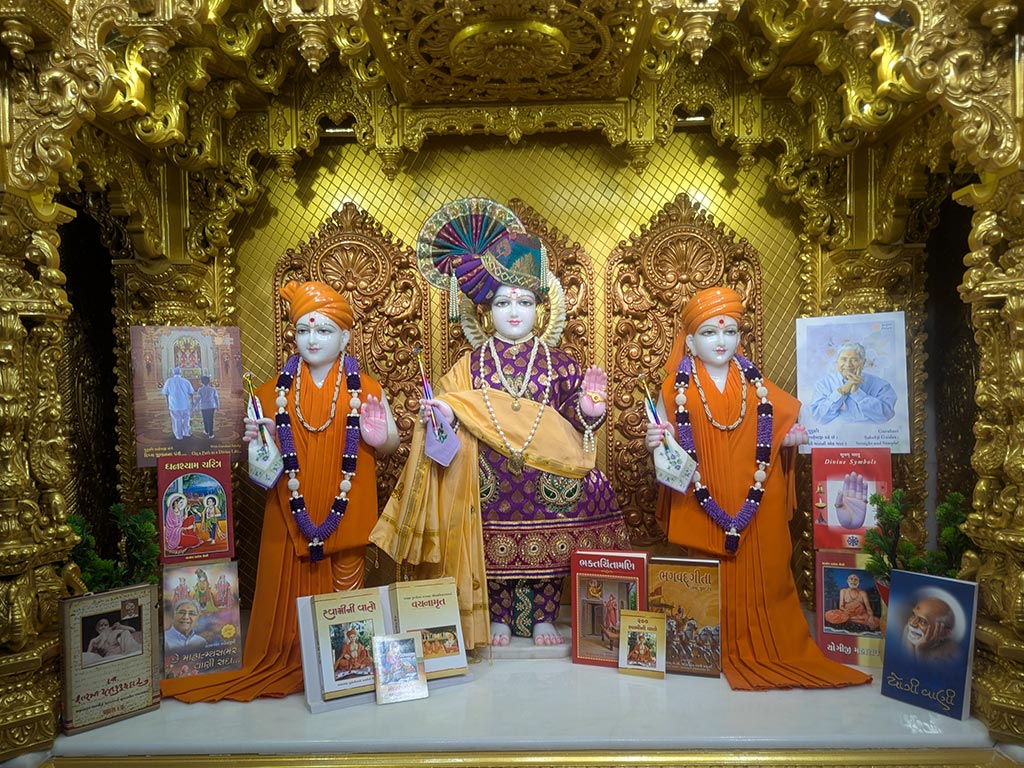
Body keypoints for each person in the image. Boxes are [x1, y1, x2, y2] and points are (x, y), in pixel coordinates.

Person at [372, 198, 629, 649]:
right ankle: (499, 617)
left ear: (541, 309)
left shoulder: (560, 365)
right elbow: (448, 407)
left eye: (525, 302)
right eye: (504, 301)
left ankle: (544, 616)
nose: (515, 311)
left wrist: (590, 412)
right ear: (487, 310)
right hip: (486, 475)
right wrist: (447, 413)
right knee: (489, 546)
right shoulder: (468, 365)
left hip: (548, 475)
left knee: (565, 522)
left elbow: (577, 413)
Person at [161, 280, 398, 702]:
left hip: (347, 510)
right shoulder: (271, 393)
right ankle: (291, 657)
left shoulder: (369, 390)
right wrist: (260, 440)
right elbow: (260, 468)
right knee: (290, 596)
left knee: (347, 591)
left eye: (324, 330)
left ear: (345, 336)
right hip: (292, 512)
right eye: (304, 330)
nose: (312, 339)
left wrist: (381, 437)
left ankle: (347, 667)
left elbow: (391, 444)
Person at [645, 286, 871, 690]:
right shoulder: (672, 390)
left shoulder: (757, 385)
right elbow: (668, 448)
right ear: (691, 340)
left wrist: (788, 439)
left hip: (755, 499)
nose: (721, 341)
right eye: (710, 333)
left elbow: (778, 425)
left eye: (730, 332)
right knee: (707, 573)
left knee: (769, 569)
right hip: (704, 499)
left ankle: (775, 646)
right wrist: (655, 442)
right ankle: (705, 650)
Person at [810, 342, 897, 424]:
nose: (848, 364)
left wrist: (857, 393)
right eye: (843, 359)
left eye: (854, 360)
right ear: (837, 362)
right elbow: (819, 417)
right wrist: (842, 391)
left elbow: (886, 416)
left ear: (863, 363)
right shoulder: (822, 384)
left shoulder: (881, 385)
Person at [903, 596, 958, 663]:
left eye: (923, 621)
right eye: (913, 615)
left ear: (944, 633)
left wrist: (921, 651)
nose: (912, 623)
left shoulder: (950, 656)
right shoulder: (907, 631)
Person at [162, 366, 195, 440]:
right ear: (181, 373)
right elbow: (191, 393)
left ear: (173, 373)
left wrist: (167, 403)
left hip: (174, 405)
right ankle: (186, 433)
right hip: (185, 404)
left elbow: (166, 393)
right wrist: (192, 402)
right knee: (186, 419)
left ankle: (178, 435)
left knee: (176, 420)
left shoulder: (169, 381)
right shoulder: (186, 381)